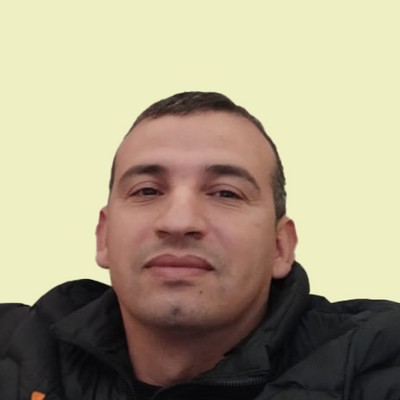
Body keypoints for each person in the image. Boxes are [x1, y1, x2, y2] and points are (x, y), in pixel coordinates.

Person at [1, 92, 399, 400]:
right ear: (103, 237)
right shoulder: (15, 350)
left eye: (226, 193)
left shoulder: (379, 359)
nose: (179, 222)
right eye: (147, 190)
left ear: (280, 247)